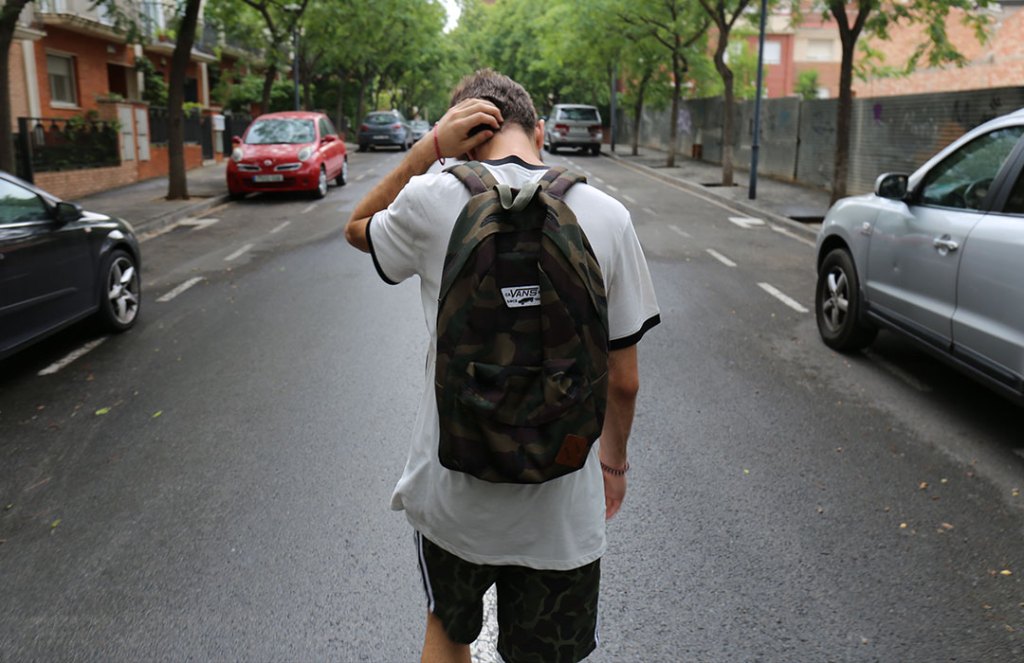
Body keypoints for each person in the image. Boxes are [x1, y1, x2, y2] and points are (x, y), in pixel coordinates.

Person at [344, 69, 660, 663]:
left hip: (453, 497)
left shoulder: (433, 200)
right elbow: (624, 380)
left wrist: (428, 151)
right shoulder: (608, 216)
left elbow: (356, 227)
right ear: (539, 131)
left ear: (463, 135)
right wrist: (612, 466)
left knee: (448, 633)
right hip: (562, 509)